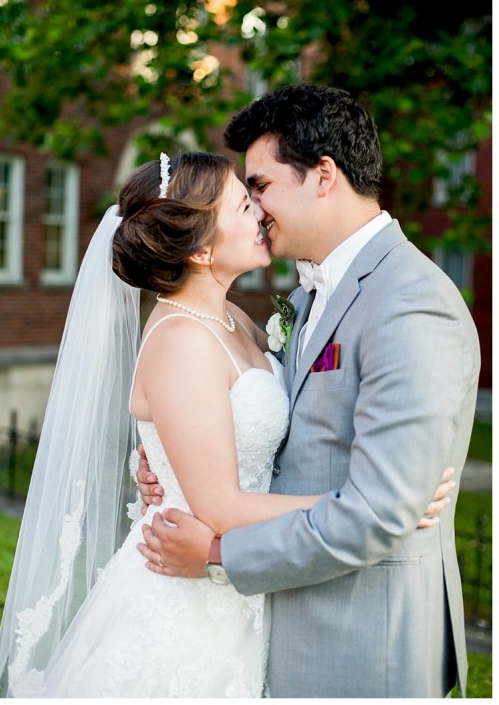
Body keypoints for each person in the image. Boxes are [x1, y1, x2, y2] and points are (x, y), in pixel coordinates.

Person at [135, 84, 479, 697]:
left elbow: (379, 514)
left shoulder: (409, 304)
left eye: (261, 187)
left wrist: (216, 551)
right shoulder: (307, 294)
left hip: (361, 637)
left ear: (323, 175)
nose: (257, 208)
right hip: (279, 623)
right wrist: (164, 460)